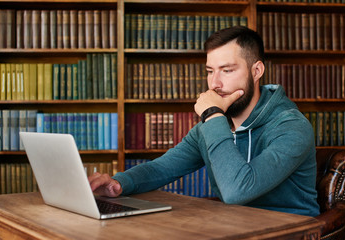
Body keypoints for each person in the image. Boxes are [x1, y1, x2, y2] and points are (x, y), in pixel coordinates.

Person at [89, 26, 320, 217]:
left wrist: (213, 114)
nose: (214, 84)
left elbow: (237, 191)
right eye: (210, 71)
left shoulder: (291, 127)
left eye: (227, 70)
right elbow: (163, 167)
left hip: (292, 231)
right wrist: (119, 183)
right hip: (235, 227)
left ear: (257, 70)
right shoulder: (213, 125)